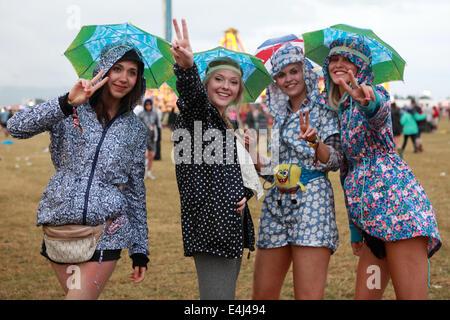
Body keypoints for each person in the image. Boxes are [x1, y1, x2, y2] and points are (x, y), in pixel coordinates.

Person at [7, 43, 150, 300]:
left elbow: (135, 189)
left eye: (132, 72)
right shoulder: (71, 108)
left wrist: (140, 248)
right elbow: (16, 127)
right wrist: (65, 103)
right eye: (117, 68)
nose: (123, 78)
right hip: (61, 229)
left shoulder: (136, 129)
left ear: (138, 79)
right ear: (102, 70)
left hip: (107, 231)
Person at [319, 36, 441, 299]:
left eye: (348, 60)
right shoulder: (339, 112)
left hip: (401, 216)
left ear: (361, 68)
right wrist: (356, 228)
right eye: (334, 59)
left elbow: (379, 113)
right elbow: (346, 171)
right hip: (371, 223)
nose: (339, 64)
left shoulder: (373, 94)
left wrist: (367, 102)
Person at [170, 18, 261, 300]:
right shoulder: (198, 117)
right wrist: (187, 69)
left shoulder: (225, 126)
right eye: (218, 79)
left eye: (233, 82)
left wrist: (244, 191)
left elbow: (226, 174)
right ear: (206, 83)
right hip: (211, 230)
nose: (226, 87)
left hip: (230, 229)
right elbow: (193, 100)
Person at [246, 42, 344, 300]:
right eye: (281, 74)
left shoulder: (324, 108)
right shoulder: (277, 115)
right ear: (275, 80)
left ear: (305, 72)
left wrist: (314, 142)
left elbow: (334, 160)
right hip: (276, 206)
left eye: (294, 71)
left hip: (312, 203)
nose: (288, 79)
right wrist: (253, 155)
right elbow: (274, 172)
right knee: (262, 296)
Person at [138, 98, 159, 179]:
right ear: (144, 105)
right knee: (145, 155)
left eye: (150, 104)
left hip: (153, 137)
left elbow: (157, 124)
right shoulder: (141, 114)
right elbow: (138, 125)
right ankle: (142, 172)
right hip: (143, 138)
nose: (148, 106)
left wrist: (153, 127)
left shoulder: (155, 114)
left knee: (151, 156)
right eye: (147, 104)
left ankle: (149, 173)